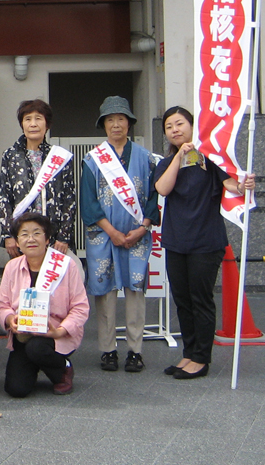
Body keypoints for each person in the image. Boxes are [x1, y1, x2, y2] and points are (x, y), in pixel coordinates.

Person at [153, 106, 255, 380]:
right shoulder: (165, 163)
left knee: (201, 300)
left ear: (192, 125)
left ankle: (201, 358)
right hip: (175, 241)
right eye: (169, 127)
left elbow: (233, 185)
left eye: (179, 124)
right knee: (182, 300)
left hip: (205, 241)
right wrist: (180, 156)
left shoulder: (211, 160)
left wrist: (245, 185)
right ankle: (188, 353)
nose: (175, 130)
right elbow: (163, 189)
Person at [80, 97, 160, 373]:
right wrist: (112, 231)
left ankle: (135, 350)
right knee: (105, 292)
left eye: (121, 119)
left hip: (137, 235)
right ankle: (108, 349)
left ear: (130, 123)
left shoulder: (146, 157)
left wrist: (142, 227)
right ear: (103, 125)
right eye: (110, 120)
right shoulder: (92, 160)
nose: (116, 124)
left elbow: (153, 196)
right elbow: (88, 202)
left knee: (135, 291)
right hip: (103, 236)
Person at [0, 212, 89, 397]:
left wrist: (60, 331)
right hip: (23, 335)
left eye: (37, 233)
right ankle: (35, 364)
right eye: (24, 234)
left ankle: (63, 369)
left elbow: (81, 307)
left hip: (54, 335)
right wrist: (10, 318)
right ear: (18, 241)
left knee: (36, 348)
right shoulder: (12, 267)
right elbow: (1, 303)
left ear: (47, 239)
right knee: (16, 389)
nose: (31, 239)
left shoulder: (66, 265)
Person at [0, 99, 76, 259]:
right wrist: (7, 235)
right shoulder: (10, 155)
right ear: (22, 125)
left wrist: (64, 236)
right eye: (28, 119)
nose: (33, 124)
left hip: (54, 237)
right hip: (23, 236)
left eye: (38, 118)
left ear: (47, 124)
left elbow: (70, 199)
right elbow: (4, 197)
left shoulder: (60, 157)